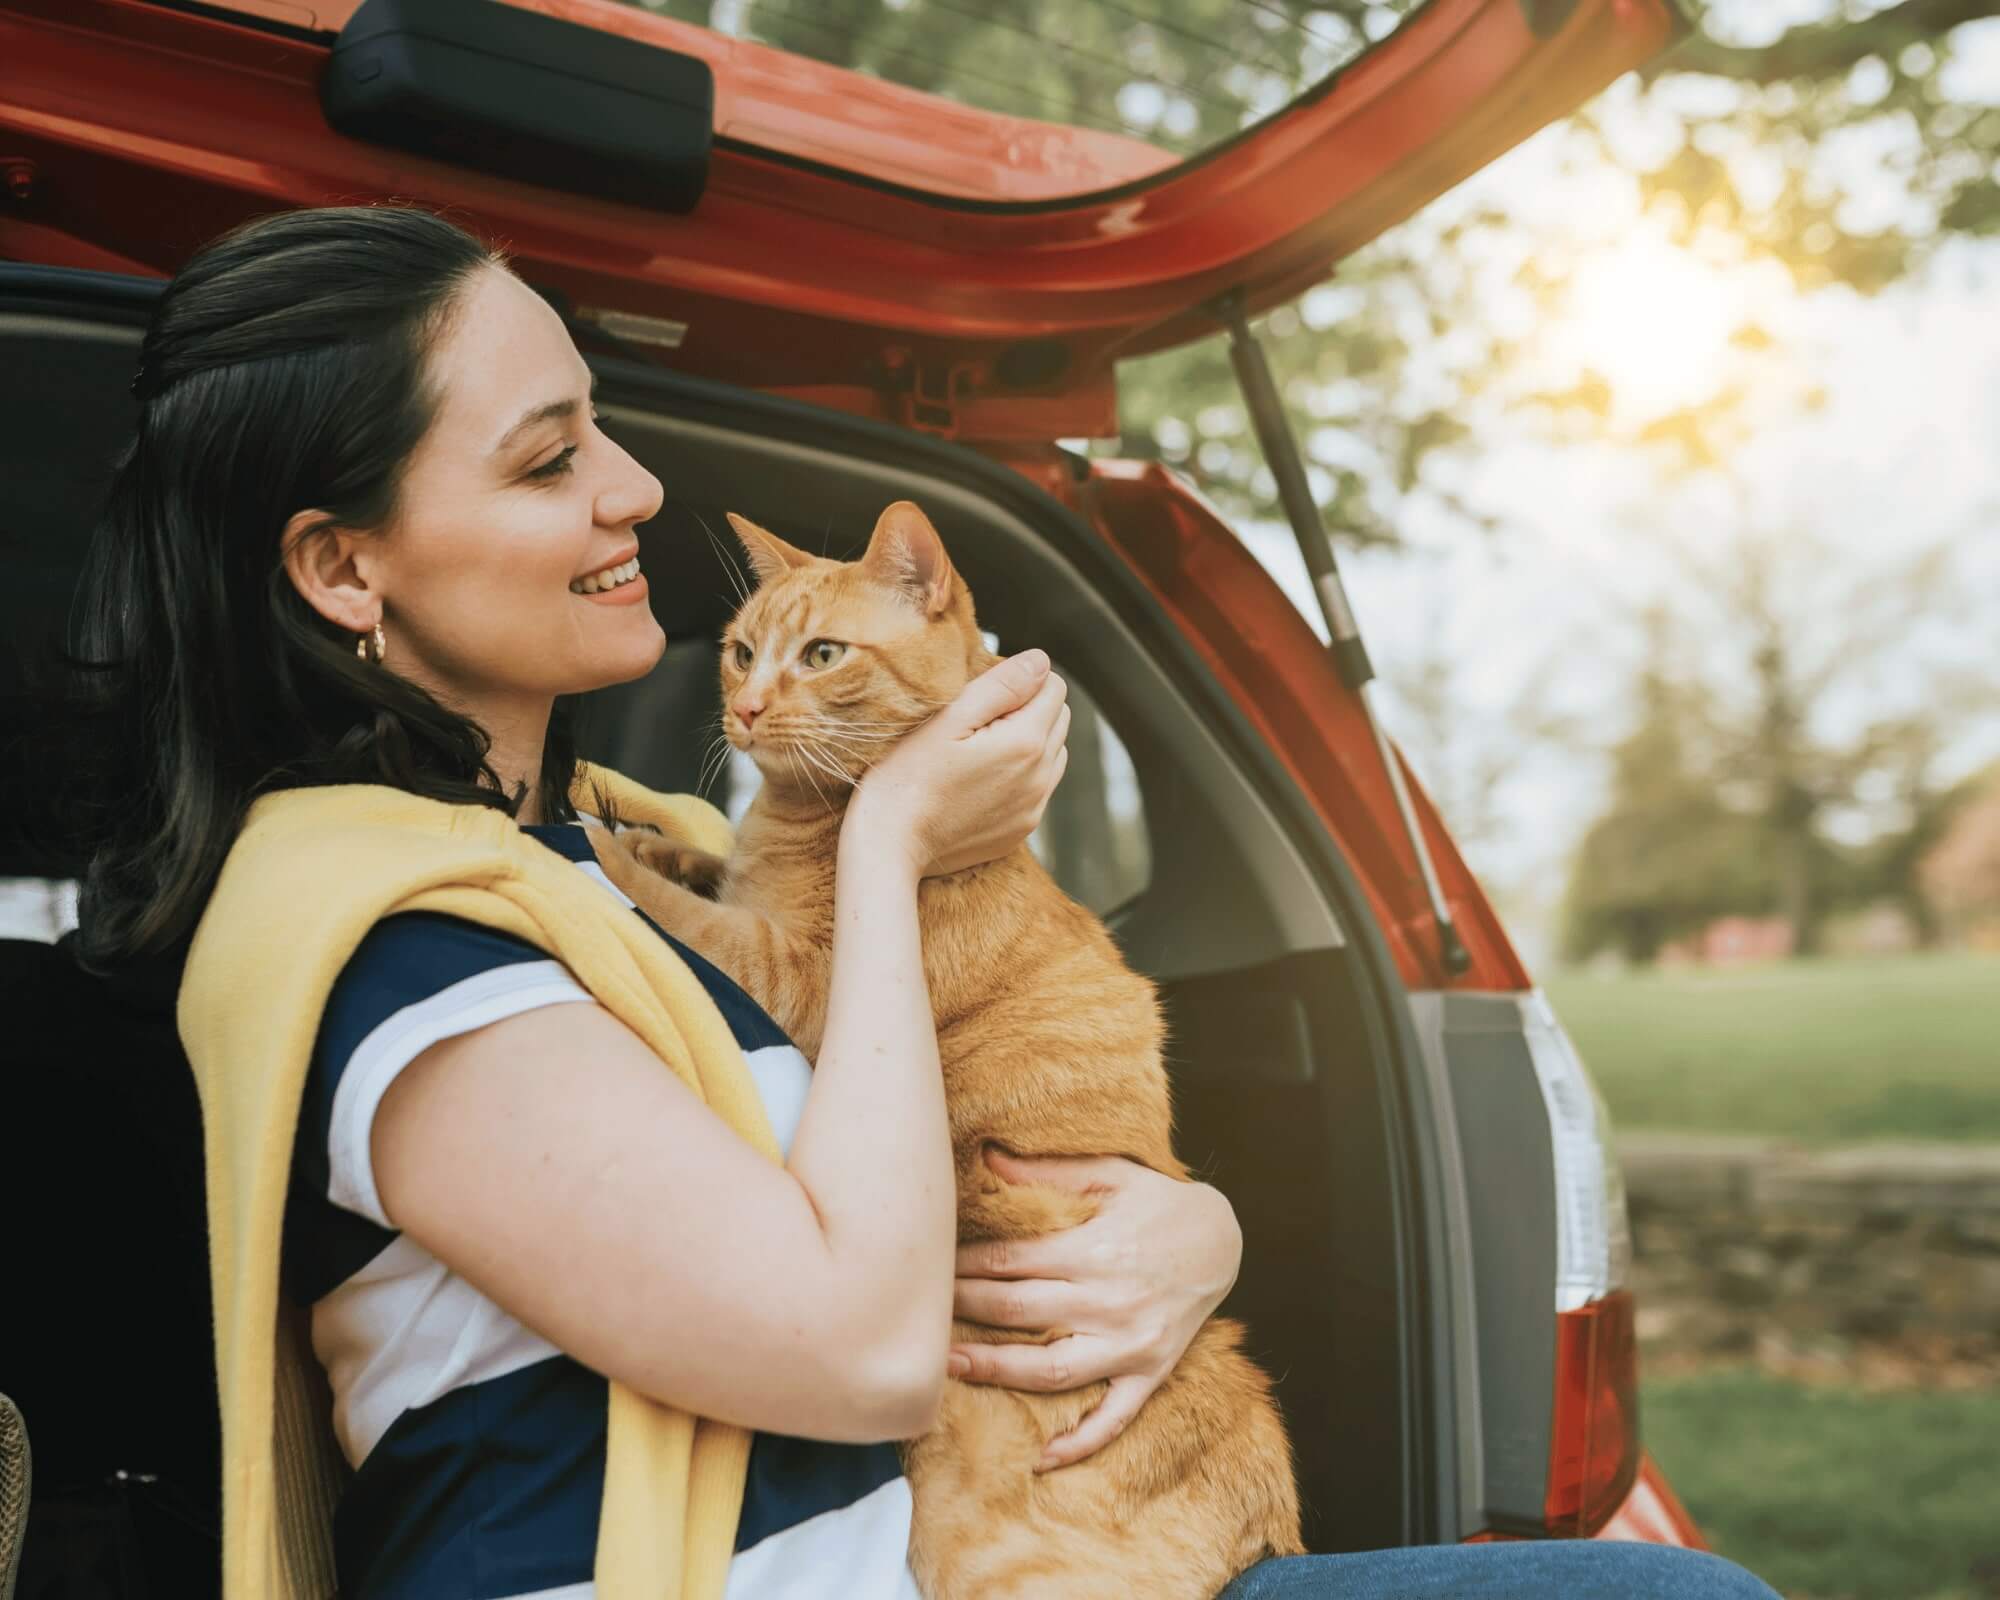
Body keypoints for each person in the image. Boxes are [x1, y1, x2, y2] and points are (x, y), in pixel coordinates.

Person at [72, 204, 1778, 1600]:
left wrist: (1192, 1237)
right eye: (546, 462)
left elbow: (923, 1155)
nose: (635, 492)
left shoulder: (607, 864)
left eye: (601, 426)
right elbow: (860, 1347)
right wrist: (888, 841)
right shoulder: (393, 945)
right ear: (341, 567)